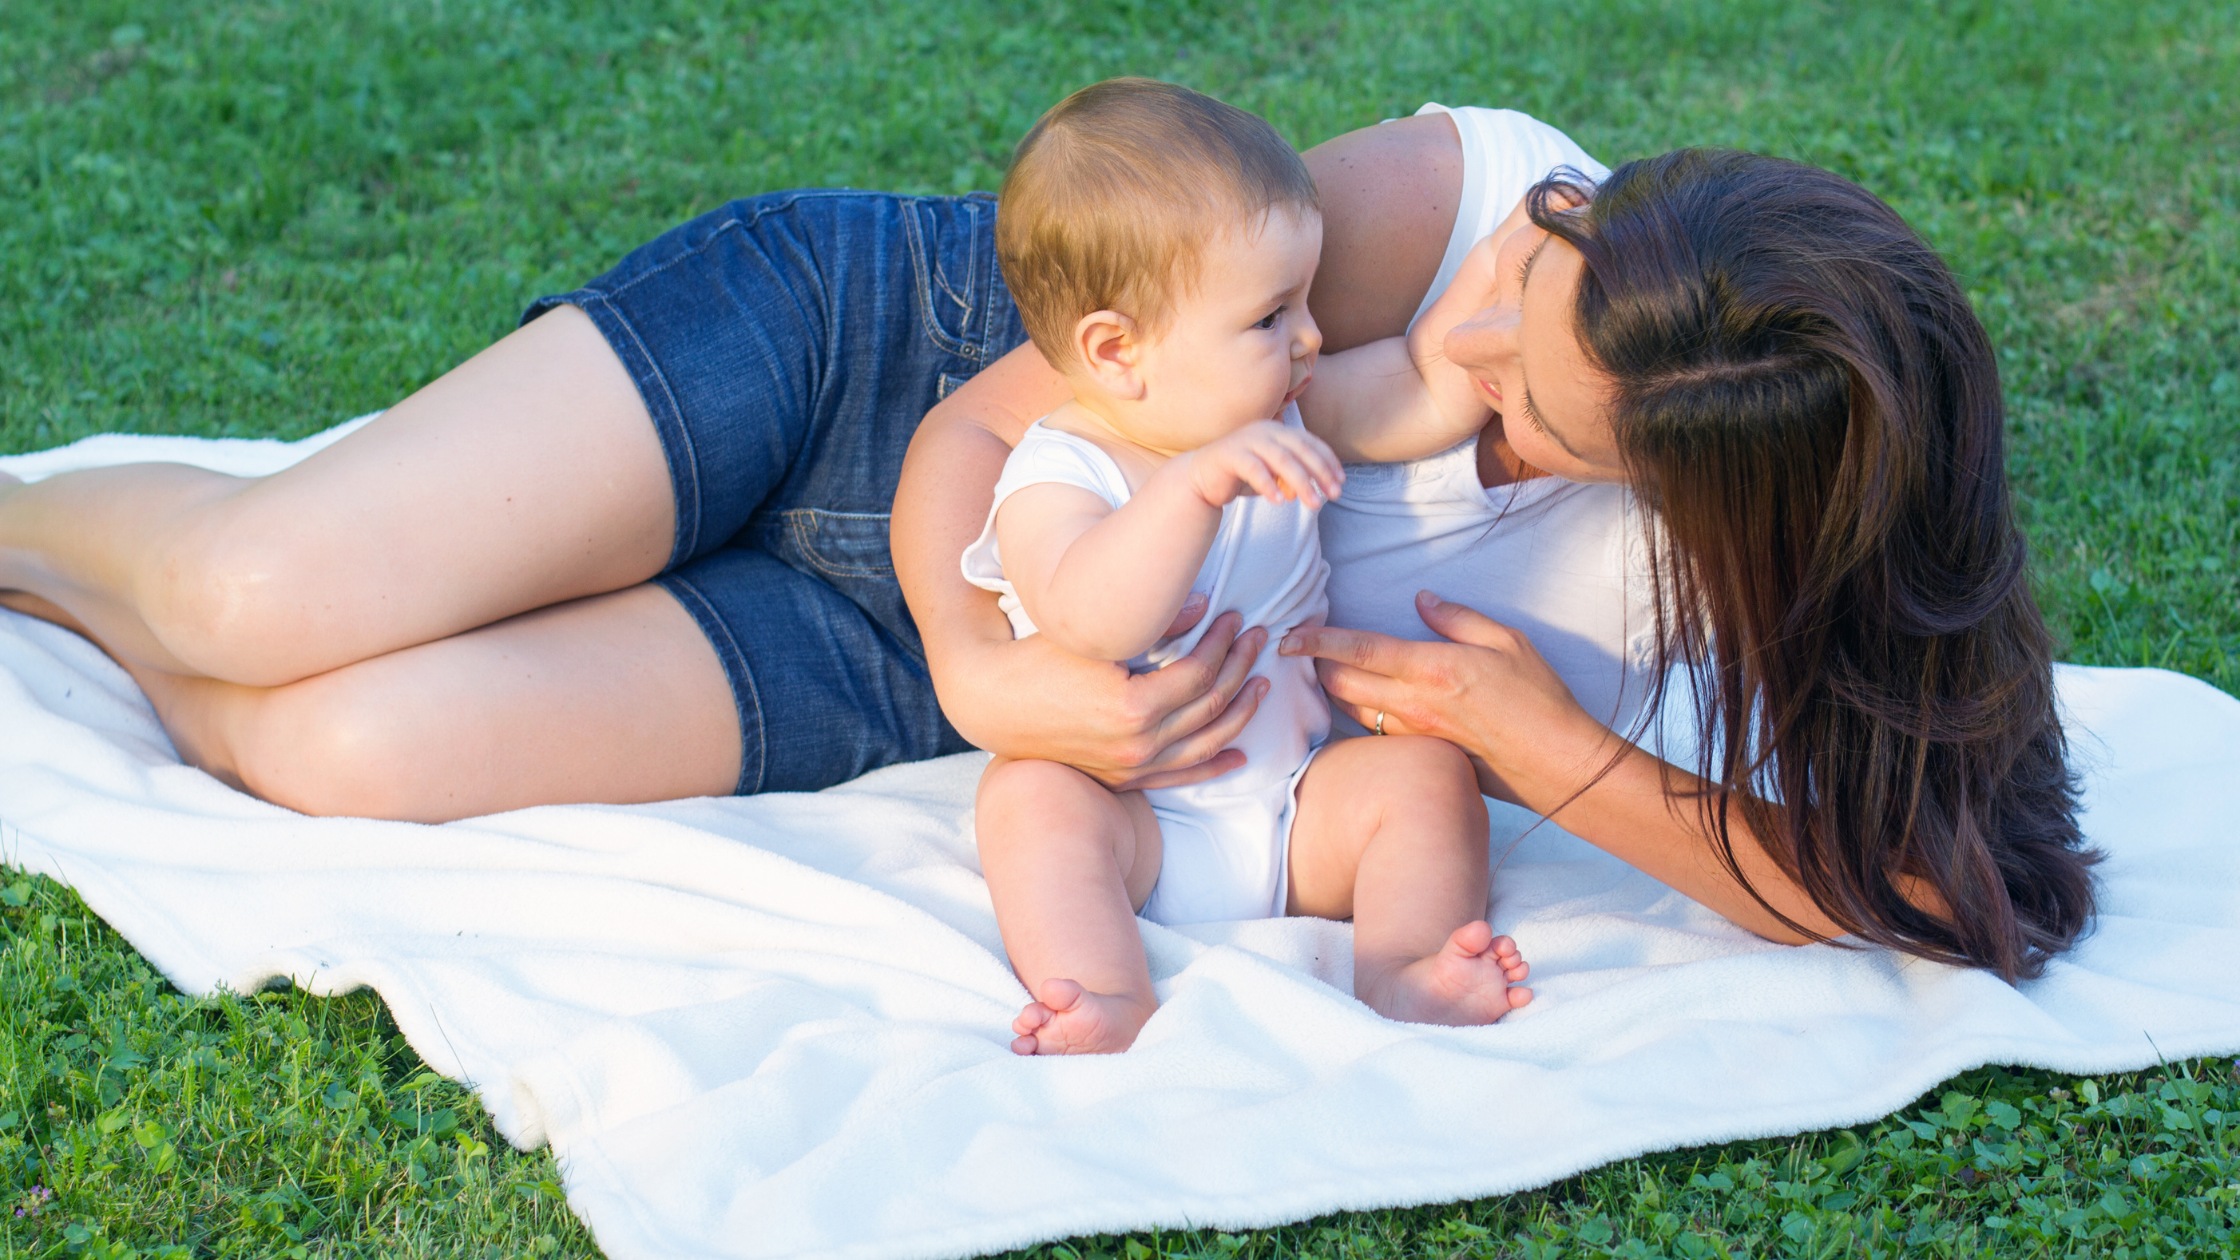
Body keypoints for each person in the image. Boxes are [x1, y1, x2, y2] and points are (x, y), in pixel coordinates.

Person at [0, 94, 2095, 982]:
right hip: (868, 369)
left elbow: (1940, 889)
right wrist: (990, 662)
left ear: (1697, 494)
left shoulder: (1699, 591)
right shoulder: (1484, 197)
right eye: (1517, 280)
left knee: (334, 748)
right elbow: (1020, 399)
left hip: (958, 675)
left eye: (1522, 395)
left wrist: (1535, 747)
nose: (1458, 335)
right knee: (260, 595)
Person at [964, 80, 1531, 1055]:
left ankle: (1402, 972)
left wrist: (1463, 321)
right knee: (1027, 801)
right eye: (1270, 317)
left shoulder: (1279, 414)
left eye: (1304, 301)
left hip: (1294, 799)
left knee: (1425, 777)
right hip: (1131, 817)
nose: (1309, 336)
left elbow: (1410, 393)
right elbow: (1092, 619)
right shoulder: (1056, 471)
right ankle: (1104, 994)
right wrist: (1189, 489)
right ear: (1116, 352)